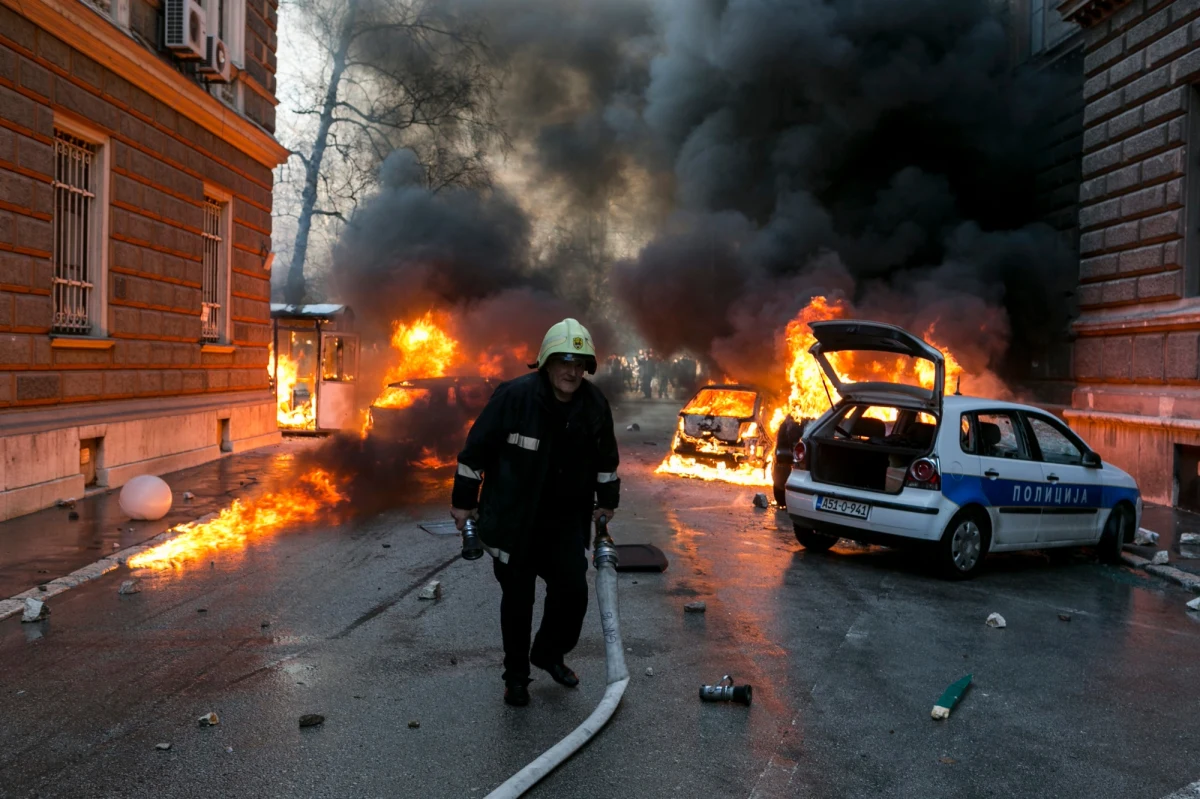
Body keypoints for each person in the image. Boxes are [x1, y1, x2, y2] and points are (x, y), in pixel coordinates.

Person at [451, 318, 621, 707]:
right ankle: (516, 678)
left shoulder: (594, 405)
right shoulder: (514, 398)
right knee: (518, 601)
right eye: (564, 360)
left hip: (564, 523)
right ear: (546, 362)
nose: (572, 370)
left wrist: (607, 500)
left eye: (580, 363)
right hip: (515, 522)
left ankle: (548, 653)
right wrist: (463, 501)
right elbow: (475, 452)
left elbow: (606, 460)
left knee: (573, 594)